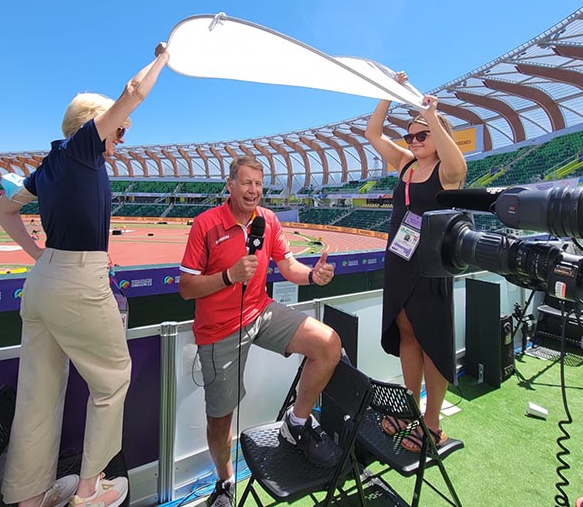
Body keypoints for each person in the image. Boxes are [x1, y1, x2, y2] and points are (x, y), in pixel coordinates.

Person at [0, 43, 169, 507]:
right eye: (121, 130)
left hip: (44, 281)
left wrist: (37, 254)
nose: (123, 138)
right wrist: (165, 56)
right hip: (78, 281)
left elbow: (1, 209)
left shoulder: (51, 163)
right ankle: (90, 490)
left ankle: (27, 496)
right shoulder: (85, 150)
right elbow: (134, 91)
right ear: (97, 122)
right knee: (113, 380)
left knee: (38, 393)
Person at [178, 156, 342, 507]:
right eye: (246, 183)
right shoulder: (205, 224)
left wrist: (313, 275)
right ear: (230, 185)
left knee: (328, 344)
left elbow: (287, 266)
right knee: (220, 419)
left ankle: (296, 422)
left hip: (260, 311)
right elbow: (186, 287)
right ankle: (224, 483)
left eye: (258, 184)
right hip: (219, 328)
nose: (253, 190)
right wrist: (228, 276)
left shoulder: (267, 220)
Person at [364, 71, 467, 452]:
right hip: (400, 260)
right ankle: (409, 409)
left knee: (432, 341)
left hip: (430, 264)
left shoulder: (449, 170)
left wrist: (433, 116)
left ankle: (432, 422)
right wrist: (386, 94)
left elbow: (453, 160)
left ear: (439, 135)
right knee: (407, 331)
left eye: (422, 135)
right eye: (410, 136)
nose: (414, 140)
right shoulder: (406, 165)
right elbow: (373, 134)